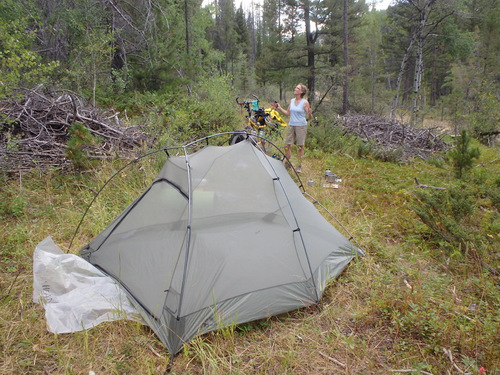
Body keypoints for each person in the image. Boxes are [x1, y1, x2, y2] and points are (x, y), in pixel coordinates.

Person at [273, 83, 312, 173]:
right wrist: (279, 108)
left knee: (300, 146)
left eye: (297, 88)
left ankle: (299, 166)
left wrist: (310, 113)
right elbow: (287, 113)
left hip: (301, 126)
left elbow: (309, 117)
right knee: (286, 145)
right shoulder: (292, 101)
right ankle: (288, 163)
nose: (295, 89)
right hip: (291, 125)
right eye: (295, 87)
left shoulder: (305, 102)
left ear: (301, 92)